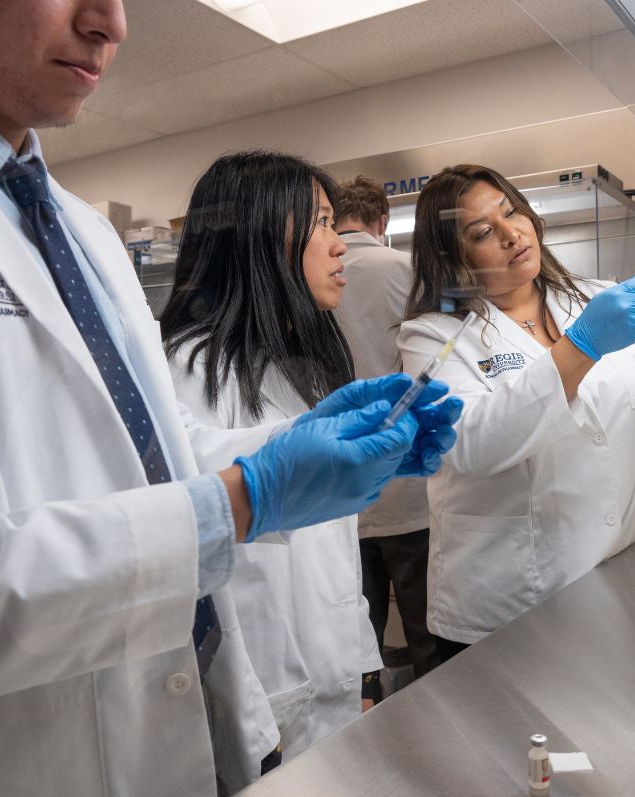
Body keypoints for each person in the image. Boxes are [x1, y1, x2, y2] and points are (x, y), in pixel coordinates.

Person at [0, 3, 458, 795]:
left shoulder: (76, 226)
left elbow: (154, 458)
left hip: (175, 739)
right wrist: (241, 502)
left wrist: (289, 453)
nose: (111, 24)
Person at [162, 153, 464, 776]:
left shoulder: (297, 367)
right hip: (259, 707)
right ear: (257, 236)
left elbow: (334, 550)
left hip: (328, 684)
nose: (338, 248)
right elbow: (193, 531)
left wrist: (361, 665)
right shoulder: (183, 372)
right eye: (321, 224)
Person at [398, 164, 635, 659]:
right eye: (485, 232)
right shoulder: (434, 336)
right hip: (506, 611)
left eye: (512, 213)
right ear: (454, 255)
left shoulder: (596, 298)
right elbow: (473, 445)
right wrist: (584, 345)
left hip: (614, 581)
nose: (512, 234)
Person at [332, 175, 442, 680]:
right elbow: (439, 365)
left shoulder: (316, 271)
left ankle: (366, 723)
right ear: (384, 220)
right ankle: (433, 720)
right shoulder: (406, 268)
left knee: (355, 625)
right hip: (405, 472)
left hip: (336, 474)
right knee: (424, 623)